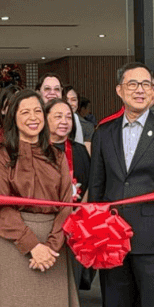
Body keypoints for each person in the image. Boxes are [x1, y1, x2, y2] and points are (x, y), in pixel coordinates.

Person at [89, 62, 154, 307]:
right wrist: (96, 235)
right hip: (112, 240)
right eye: (132, 84)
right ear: (119, 90)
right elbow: (98, 187)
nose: (140, 90)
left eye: (146, 84)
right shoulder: (104, 133)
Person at [0, 90, 81, 307]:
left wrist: (51, 246)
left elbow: (66, 205)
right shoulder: (1, 157)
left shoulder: (57, 156)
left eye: (37, 111)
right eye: (25, 112)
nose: (33, 117)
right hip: (11, 242)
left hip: (54, 243)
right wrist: (33, 246)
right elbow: (1, 207)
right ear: (13, 118)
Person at [45, 97, 94, 291]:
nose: (64, 121)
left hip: (75, 227)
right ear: (45, 119)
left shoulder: (79, 150)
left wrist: (80, 216)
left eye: (68, 117)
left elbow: (90, 185)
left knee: (70, 285)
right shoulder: (37, 150)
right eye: (58, 116)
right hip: (46, 228)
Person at [37, 73, 85, 147]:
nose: (52, 93)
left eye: (57, 89)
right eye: (47, 89)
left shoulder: (72, 117)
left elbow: (77, 146)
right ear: (38, 92)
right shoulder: (33, 117)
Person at [64, 85, 94, 152]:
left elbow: (87, 153)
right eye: (66, 100)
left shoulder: (86, 126)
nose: (70, 103)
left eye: (73, 100)